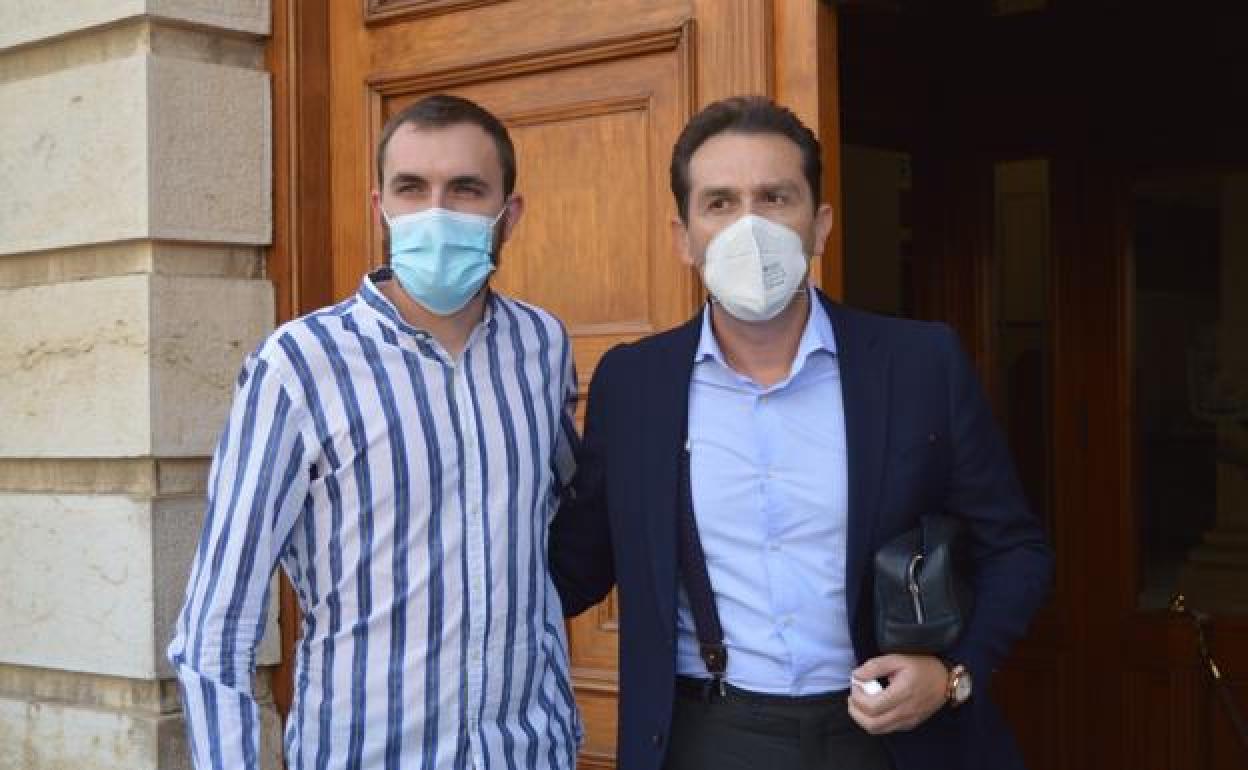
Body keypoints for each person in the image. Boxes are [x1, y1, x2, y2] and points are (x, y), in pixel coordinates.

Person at [550, 95, 1054, 770]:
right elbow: (576, 565)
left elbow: (1015, 549)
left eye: (775, 198)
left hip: (893, 740)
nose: (749, 226)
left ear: (819, 226)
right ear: (683, 238)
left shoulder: (920, 364)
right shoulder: (633, 384)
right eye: (720, 203)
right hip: (708, 737)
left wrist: (952, 674)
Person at [168, 94, 581, 770]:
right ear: (379, 207)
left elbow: (551, 526)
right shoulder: (297, 366)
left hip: (528, 750)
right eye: (411, 188)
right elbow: (217, 627)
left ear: (509, 214)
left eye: (466, 189)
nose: (436, 212)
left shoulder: (542, 346)